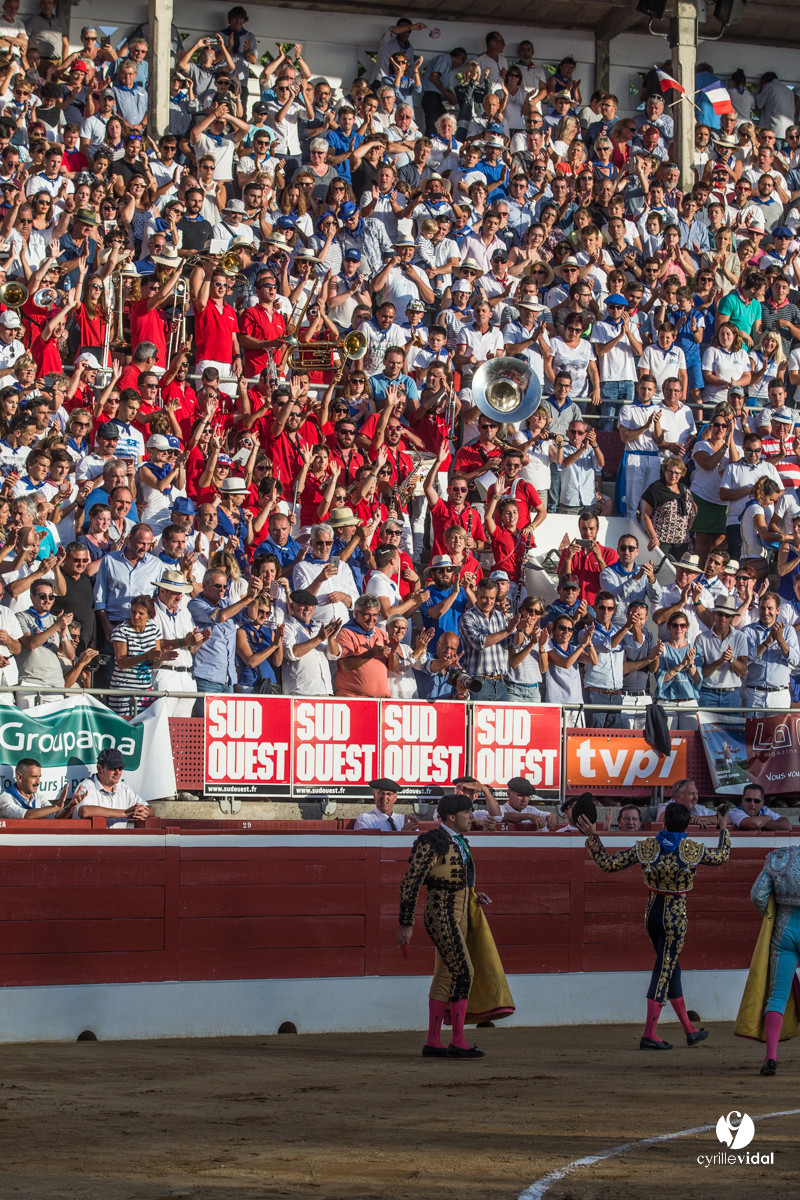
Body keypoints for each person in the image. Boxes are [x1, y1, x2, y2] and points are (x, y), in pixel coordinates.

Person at [579, 800, 731, 1050]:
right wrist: (723, 828)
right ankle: (650, 1034)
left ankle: (689, 1030)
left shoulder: (647, 846)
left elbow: (607, 865)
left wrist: (594, 837)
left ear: (663, 822)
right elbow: (723, 857)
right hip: (675, 917)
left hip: (652, 914)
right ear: (687, 826)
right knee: (664, 970)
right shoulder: (692, 849)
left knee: (671, 968)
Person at [397, 792, 514, 1059]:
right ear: (451, 816)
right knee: (464, 971)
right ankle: (458, 1040)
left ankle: (433, 1041)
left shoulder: (461, 842)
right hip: (441, 914)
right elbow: (411, 882)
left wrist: (474, 895)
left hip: (460, 913)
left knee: (445, 976)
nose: (472, 817)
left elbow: (457, 880)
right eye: (468, 812)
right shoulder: (433, 841)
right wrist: (406, 923)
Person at [745, 842, 800, 1075]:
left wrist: (771, 916)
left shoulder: (780, 857)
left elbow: (758, 895)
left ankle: (771, 1058)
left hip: (785, 929)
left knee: (777, 995)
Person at [73, 747, 153, 828]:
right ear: (100, 769)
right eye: (113, 768)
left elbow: (151, 810)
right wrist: (124, 813)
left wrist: (144, 812)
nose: (117, 772)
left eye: (120, 768)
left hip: (119, 840)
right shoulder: (86, 786)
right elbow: (84, 811)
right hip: (92, 840)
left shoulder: (124, 789)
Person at [0, 757, 78, 820]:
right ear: (20, 777)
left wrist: (70, 807)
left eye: (39, 777)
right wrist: (56, 806)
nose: (38, 782)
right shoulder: (5, 798)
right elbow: (26, 816)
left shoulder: (39, 797)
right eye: (34, 777)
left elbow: (56, 816)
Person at [353, 778, 419, 831]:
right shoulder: (365, 820)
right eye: (381, 793)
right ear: (374, 795)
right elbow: (370, 846)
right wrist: (402, 835)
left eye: (389, 794)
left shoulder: (403, 820)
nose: (384, 798)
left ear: (395, 797)